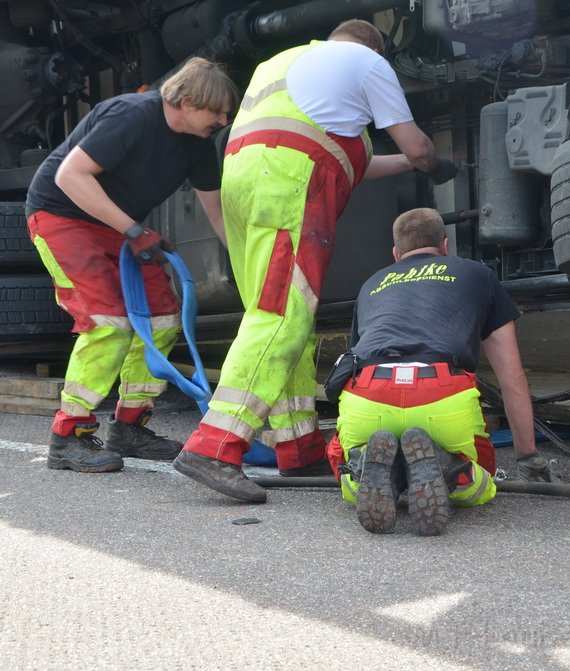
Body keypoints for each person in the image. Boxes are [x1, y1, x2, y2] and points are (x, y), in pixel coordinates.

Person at [173, 19, 458, 502]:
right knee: (280, 316)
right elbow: (416, 146)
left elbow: (357, 162)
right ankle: (214, 446)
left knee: (286, 322)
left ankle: (298, 448)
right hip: (290, 179)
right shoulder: (367, 61)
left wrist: (405, 163)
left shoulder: (282, 64)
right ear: (374, 46)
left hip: (246, 180)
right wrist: (430, 161)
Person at [26, 57, 237, 473]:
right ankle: (68, 436)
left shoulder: (198, 145)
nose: (223, 119)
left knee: (162, 319)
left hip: (117, 226)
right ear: (189, 101)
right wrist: (134, 230)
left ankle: (129, 427)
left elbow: (217, 213)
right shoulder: (133, 115)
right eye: (218, 110)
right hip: (62, 215)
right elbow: (71, 176)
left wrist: (250, 267)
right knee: (108, 320)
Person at [328, 207, 556, 537]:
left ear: (396, 254)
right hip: (440, 392)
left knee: (345, 472)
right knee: (482, 484)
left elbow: (356, 360)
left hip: (369, 395)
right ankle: (451, 470)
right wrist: (529, 458)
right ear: (445, 245)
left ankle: (368, 471)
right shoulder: (476, 274)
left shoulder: (371, 285)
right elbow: (512, 378)